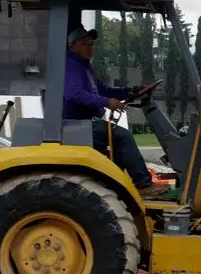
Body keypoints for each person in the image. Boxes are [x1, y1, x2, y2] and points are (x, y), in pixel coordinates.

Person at [64, 26, 169, 199]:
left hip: (85, 122)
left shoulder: (84, 66)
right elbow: (74, 94)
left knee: (118, 143)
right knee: (122, 135)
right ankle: (143, 184)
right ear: (72, 45)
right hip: (76, 123)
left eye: (92, 44)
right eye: (85, 44)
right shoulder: (71, 65)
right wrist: (106, 102)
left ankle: (114, 185)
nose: (90, 47)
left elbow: (104, 89)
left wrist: (131, 91)